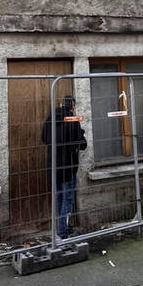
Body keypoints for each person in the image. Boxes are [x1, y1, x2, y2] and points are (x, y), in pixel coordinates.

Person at [41, 95, 87, 240]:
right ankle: (62, 232)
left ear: (61, 105)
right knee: (68, 199)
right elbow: (82, 144)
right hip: (68, 166)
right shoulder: (72, 121)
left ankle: (64, 227)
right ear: (72, 106)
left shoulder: (50, 120)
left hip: (54, 166)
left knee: (59, 197)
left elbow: (44, 139)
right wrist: (81, 133)